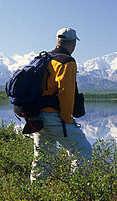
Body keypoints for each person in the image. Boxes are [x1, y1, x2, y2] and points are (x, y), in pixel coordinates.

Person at [30, 27, 92, 181]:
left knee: (43, 158)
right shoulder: (66, 62)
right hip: (53, 117)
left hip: (36, 116)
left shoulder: (43, 59)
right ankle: (77, 190)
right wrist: (67, 119)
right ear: (73, 43)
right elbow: (65, 93)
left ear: (58, 41)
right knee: (83, 151)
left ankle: (36, 195)